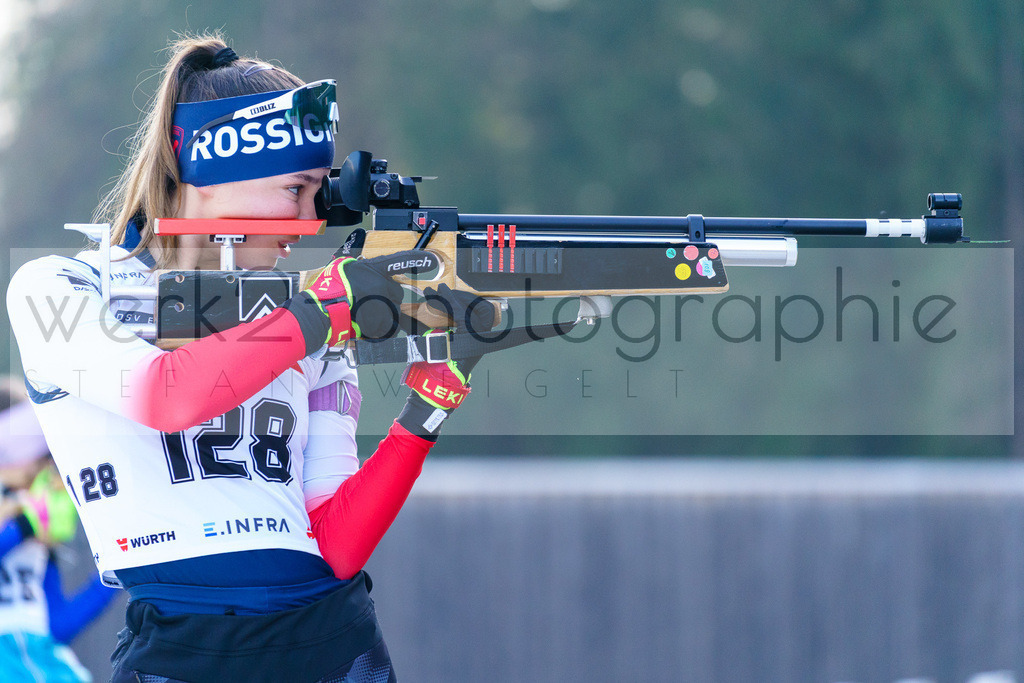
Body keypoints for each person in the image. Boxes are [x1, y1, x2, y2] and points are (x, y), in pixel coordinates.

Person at [6, 32, 486, 683]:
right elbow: (165, 394)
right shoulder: (62, 285)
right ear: (214, 175)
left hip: (332, 640)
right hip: (179, 642)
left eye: (319, 192)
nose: (313, 218)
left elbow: (337, 547)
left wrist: (424, 411)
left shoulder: (309, 312)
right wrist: (317, 313)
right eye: (296, 189)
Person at [0, 380, 119, 683]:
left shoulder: (32, 523)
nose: (44, 468)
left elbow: (55, 627)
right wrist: (23, 526)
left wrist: (115, 571)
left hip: (36, 660)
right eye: (36, 456)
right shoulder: (24, 521)